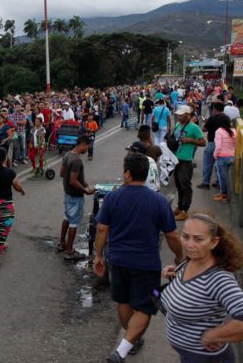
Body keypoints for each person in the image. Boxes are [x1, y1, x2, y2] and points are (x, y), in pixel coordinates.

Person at [93, 153, 184, 363]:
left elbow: (101, 230)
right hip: (146, 262)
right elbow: (172, 235)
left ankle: (130, 340)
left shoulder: (113, 198)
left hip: (118, 260)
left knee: (123, 300)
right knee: (145, 305)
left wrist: (99, 256)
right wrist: (180, 256)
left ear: (127, 173)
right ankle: (129, 341)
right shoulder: (159, 201)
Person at [162, 213, 243, 362]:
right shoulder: (190, 260)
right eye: (185, 236)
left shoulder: (219, 279)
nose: (189, 244)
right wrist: (176, 273)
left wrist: (214, 335)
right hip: (187, 355)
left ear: (214, 242)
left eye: (198, 239)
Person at [58, 135, 94, 261]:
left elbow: (62, 173)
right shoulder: (77, 161)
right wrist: (86, 190)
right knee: (73, 223)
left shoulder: (68, 155)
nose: (87, 149)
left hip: (67, 193)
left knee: (66, 217)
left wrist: (82, 181)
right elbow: (73, 180)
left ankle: (61, 242)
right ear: (83, 144)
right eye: (87, 146)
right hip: (75, 195)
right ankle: (69, 251)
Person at [172, 105, 206, 221]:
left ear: (188, 115)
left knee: (185, 185)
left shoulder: (194, 127)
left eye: (181, 115)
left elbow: (203, 142)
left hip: (186, 161)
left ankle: (184, 210)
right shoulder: (177, 125)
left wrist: (190, 140)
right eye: (179, 114)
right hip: (175, 159)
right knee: (178, 185)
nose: (179, 116)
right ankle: (180, 206)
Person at [198, 103, 227, 190]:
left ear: (215, 109)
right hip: (223, 144)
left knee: (207, 164)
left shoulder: (212, 118)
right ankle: (219, 182)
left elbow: (204, 129)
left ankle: (206, 182)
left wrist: (205, 123)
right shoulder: (227, 118)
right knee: (219, 165)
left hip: (212, 143)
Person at [212, 114, 237, 203]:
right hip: (232, 156)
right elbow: (236, 144)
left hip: (222, 157)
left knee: (222, 177)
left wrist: (215, 155)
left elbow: (218, 146)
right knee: (229, 177)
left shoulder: (219, 131)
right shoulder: (234, 130)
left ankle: (224, 195)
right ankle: (223, 193)